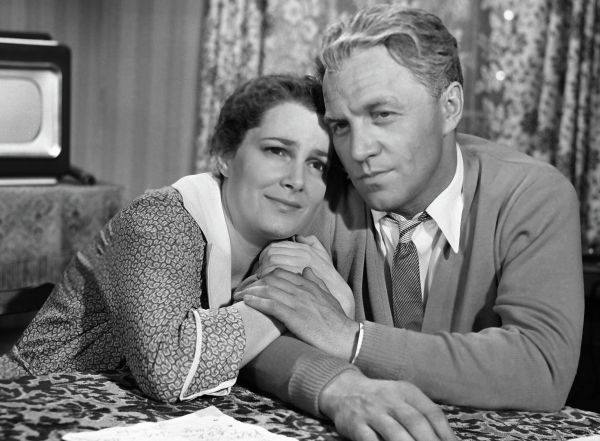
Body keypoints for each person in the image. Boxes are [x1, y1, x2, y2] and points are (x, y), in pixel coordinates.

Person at [235, 5, 584, 441]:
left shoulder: (532, 195)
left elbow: (541, 365)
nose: (359, 150)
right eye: (341, 125)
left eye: (382, 114)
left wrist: (352, 339)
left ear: (450, 107)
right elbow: (248, 334)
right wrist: (339, 387)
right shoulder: (318, 190)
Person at [0, 74, 358, 403]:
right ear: (224, 156)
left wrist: (340, 301)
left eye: (316, 164)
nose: (297, 180)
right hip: (32, 403)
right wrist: (295, 305)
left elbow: (311, 345)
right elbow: (168, 368)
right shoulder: (158, 222)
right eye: (277, 151)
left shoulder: (291, 251)